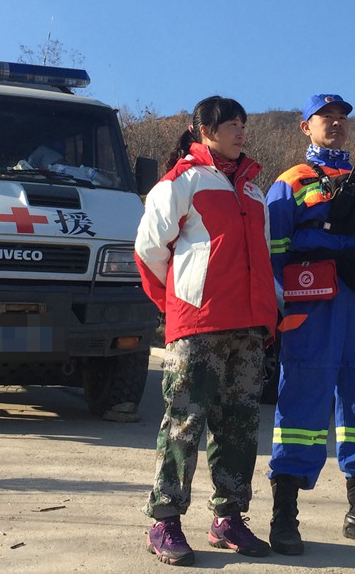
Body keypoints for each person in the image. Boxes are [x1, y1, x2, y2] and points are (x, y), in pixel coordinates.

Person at [266, 94, 355, 554]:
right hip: (312, 308)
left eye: (342, 118)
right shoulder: (290, 182)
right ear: (304, 127)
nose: (336, 124)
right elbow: (272, 249)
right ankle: (283, 516)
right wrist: (282, 305)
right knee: (302, 409)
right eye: (325, 118)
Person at [134, 96, 277, 567]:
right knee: (183, 423)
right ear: (204, 129)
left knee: (238, 427)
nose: (240, 131)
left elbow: (263, 258)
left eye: (243, 123)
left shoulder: (255, 191)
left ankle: (228, 518)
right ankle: (165, 522)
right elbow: (150, 250)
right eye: (231, 124)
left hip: (249, 327)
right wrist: (178, 306)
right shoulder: (181, 181)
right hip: (199, 325)